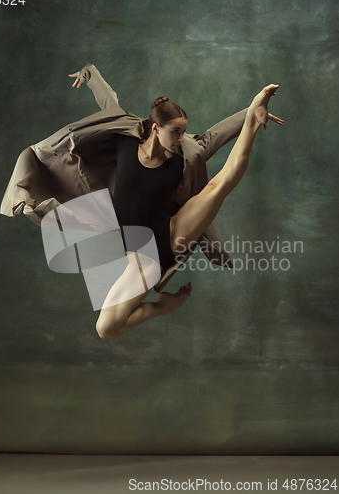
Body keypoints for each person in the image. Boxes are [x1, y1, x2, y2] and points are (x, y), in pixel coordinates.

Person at [67, 72, 284, 340]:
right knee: (106, 329)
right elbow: (109, 104)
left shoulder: (181, 158)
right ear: (156, 128)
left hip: (166, 242)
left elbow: (216, 134)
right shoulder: (125, 141)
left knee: (220, 185)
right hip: (137, 258)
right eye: (176, 132)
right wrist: (89, 74)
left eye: (183, 131)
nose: (181, 138)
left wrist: (253, 110)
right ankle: (165, 306)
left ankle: (253, 120)